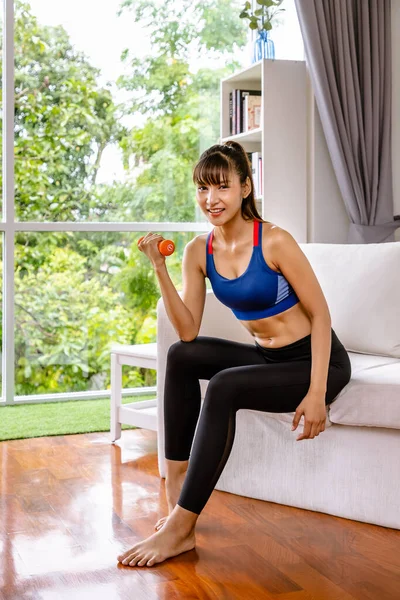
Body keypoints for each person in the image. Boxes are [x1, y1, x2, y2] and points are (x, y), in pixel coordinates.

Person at [117, 140, 352, 568]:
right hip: (269, 358)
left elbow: (321, 316)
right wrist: (158, 268)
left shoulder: (275, 241)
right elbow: (188, 330)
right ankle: (176, 499)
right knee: (181, 356)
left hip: (317, 362)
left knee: (224, 385)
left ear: (245, 187)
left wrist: (317, 393)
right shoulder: (198, 251)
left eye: (221, 187)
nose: (211, 199)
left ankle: (182, 527)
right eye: (203, 189)